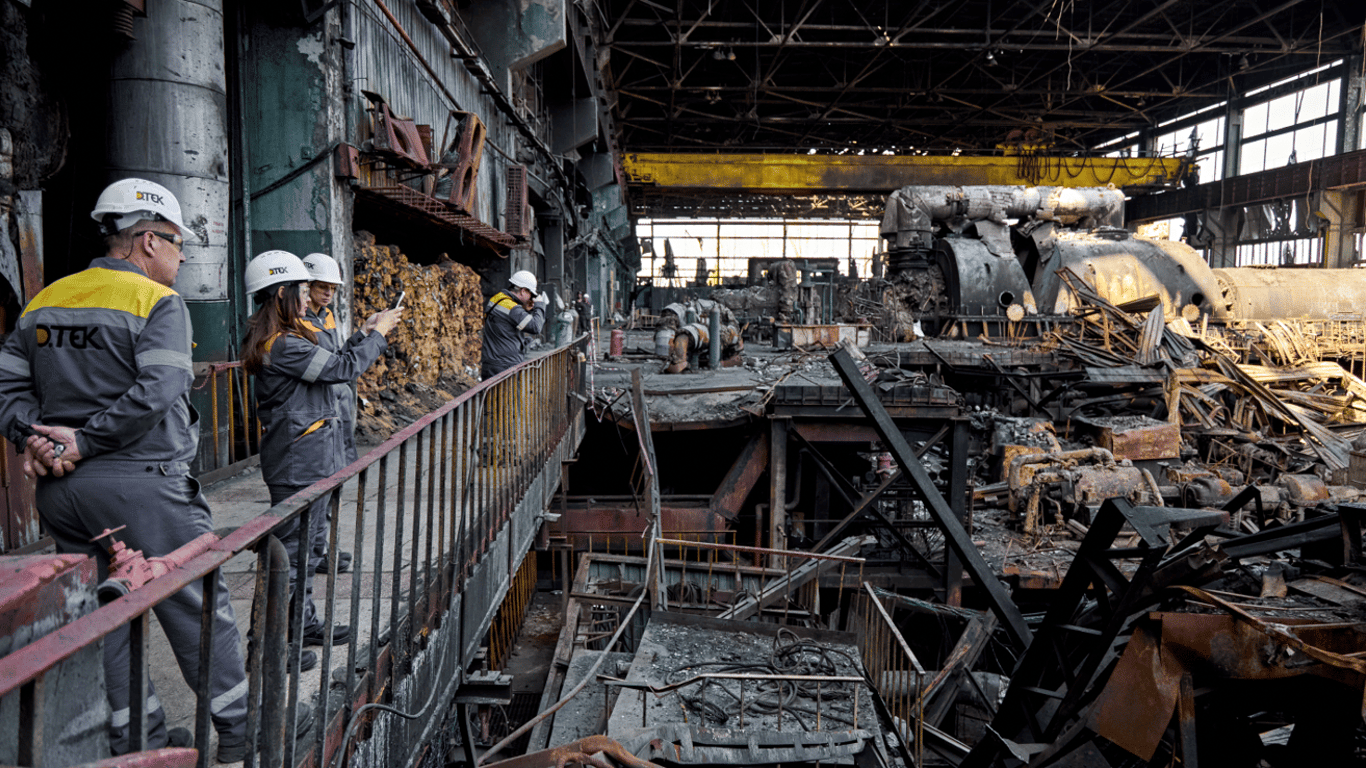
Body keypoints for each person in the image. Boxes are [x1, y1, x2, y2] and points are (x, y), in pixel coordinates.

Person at [0, 178, 264, 760]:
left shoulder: (44, 301)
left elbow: (8, 387)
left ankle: (135, 738)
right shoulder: (156, 302)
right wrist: (86, 443)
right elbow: (160, 389)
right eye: (174, 242)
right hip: (142, 485)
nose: (182, 254)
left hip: (64, 495)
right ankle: (242, 734)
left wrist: (39, 441)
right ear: (146, 241)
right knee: (195, 601)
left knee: (110, 614)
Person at [242, 250, 401, 655]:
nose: (307, 295)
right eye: (300, 289)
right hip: (299, 461)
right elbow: (341, 371)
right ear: (282, 293)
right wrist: (379, 335)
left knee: (308, 550)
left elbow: (333, 363)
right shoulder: (284, 345)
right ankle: (271, 645)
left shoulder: (288, 339)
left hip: (310, 456)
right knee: (291, 557)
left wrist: (364, 335)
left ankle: (302, 622)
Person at [300, 252, 380, 576]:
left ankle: (321, 549)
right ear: (306, 285)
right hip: (321, 412)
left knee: (334, 484)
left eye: (332, 288)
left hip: (337, 413)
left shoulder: (327, 316)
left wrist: (361, 334)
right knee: (318, 491)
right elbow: (335, 368)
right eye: (322, 287)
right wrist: (376, 339)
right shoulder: (300, 321)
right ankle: (315, 552)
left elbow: (338, 357)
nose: (328, 293)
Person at [481, 270, 547, 379]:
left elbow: (504, 328)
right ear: (523, 291)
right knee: (508, 396)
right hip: (505, 368)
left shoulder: (498, 298)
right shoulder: (512, 308)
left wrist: (521, 341)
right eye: (530, 294)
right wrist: (540, 306)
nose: (531, 298)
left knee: (492, 396)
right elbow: (536, 327)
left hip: (491, 364)